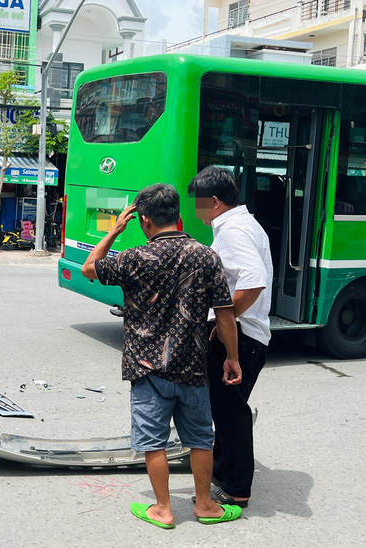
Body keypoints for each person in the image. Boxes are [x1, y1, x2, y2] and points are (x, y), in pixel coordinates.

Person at [81, 183, 242, 529]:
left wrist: (113, 232)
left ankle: (164, 510)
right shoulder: (206, 256)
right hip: (193, 368)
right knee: (201, 439)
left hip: (147, 370)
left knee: (154, 444)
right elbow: (225, 313)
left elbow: (89, 268)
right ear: (179, 216)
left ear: (144, 222)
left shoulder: (135, 258)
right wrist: (232, 357)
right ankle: (205, 506)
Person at [188, 166, 273, 509]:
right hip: (246, 332)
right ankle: (224, 473)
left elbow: (253, 281)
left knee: (230, 411)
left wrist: (228, 317)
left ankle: (237, 487)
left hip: (241, 335)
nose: (196, 210)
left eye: (198, 203)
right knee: (224, 409)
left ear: (214, 201)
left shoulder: (233, 230)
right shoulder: (243, 224)